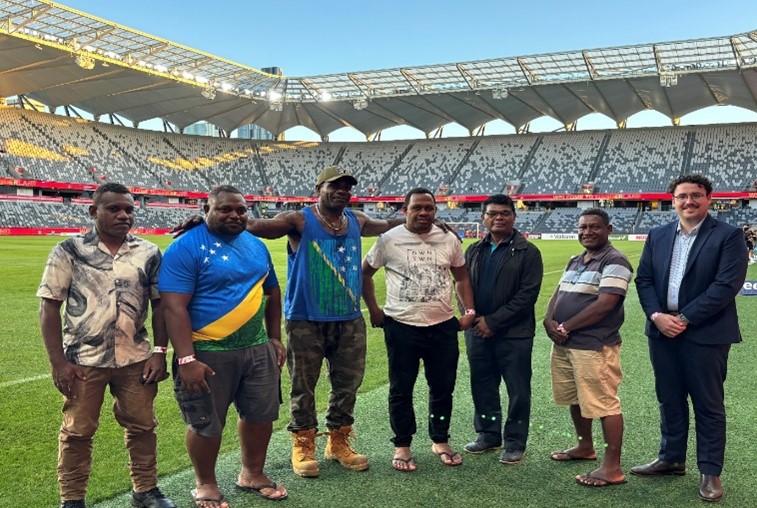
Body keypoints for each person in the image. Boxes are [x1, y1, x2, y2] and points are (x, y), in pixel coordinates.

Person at [37, 183, 175, 508]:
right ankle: (72, 500)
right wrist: (58, 363)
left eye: (129, 209)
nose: (123, 215)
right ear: (93, 211)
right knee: (77, 432)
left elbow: (162, 306)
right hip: (83, 361)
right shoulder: (68, 251)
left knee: (143, 427)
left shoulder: (149, 252)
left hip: (136, 359)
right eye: (114, 208)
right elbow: (48, 307)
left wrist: (159, 352)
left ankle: (145, 491)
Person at [159, 185, 287, 506]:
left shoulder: (256, 246)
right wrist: (186, 359)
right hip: (207, 352)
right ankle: (205, 484)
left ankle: (252, 473)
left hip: (257, 348)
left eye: (241, 210)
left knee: (261, 415)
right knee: (206, 421)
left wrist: (274, 338)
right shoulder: (186, 248)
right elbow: (172, 307)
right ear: (207, 210)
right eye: (225, 209)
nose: (235, 215)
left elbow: (272, 292)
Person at [632, 175, 748, 503]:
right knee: (669, 399)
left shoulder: (727, 236)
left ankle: (710, 472)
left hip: (706, 334)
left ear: (709, 199)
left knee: (708, 405)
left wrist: (683, 318)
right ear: (673, 201)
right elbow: (644, 279)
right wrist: (657, 316)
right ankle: (671, 458)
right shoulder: (657, 235)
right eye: (682, 196)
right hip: (661, 331)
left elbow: (726, 285)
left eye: (696, 195)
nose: (689, 201)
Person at [362, 187, 476, 472]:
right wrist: (375, 309)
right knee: (401, 389)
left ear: (435, 211)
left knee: (442, 388)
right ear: (405, 210)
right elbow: (365, 272)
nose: (424, 213)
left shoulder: (448, 238)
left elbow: (460, 276)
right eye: (417, 208)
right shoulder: (389, 239)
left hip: (442, 326)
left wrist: (469, 311)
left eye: (429, 208)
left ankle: (440, 439)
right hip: (402, 326)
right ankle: (402, 444)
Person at [543, 208, 632, 488]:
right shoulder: (575, 259)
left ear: (608, 229)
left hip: (594, 344)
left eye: (594, 227)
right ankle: (585, 447)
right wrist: (548, 320)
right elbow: (558, 294)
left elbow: (605, 305)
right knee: (576, 398)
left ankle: (612, 467)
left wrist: (566, 326)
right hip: (566, 343)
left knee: (604, 403)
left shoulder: (615, 260)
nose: (587, 232)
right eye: (582, 227)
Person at [462, 194, 543, 465]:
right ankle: (488, 434)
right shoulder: (474, 249)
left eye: (505, 213)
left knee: (518, 390)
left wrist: (492, 322)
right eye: (493, 213)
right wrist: (473, 318)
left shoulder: (528, 252)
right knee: (482, 386)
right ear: (483, 217)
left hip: (514, 334)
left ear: (514, 217)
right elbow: (461, 287)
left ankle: (515, 442)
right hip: (476, 332)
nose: (499, 218)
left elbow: (527, 295)